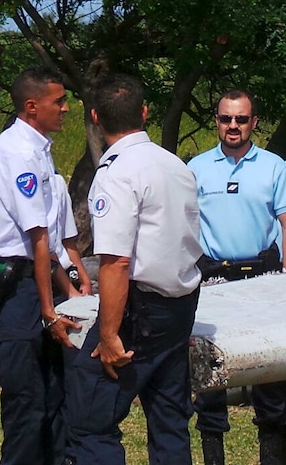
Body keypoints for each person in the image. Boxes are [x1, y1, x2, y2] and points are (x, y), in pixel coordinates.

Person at [66, 74, 202, 464]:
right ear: (144, 112)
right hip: (179, 306)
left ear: (95, 117)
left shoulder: (116, 173)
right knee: (169, 418)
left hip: (138, 312)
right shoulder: (176, 165)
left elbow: (116, 261)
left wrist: (108, 334)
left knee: (89, 417)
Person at [0, 67, 81, 465]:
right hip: (16, 283)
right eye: (59, 101)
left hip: (37, 276)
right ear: (33, 106)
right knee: (26, 400)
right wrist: (49, 309)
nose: (66, 108)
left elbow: (51, 245)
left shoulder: (39, 149)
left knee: (55, 394)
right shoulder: (16, 153)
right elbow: (36, 239)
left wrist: (67, 288)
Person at [187, 89, 286, 465]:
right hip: (214, 282)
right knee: (210, 381)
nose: (232, 126)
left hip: (263, 279)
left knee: (268, 377)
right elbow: (183, 225)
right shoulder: (197, 168)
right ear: (216, 121)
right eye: (225, 119)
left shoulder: (273, 166)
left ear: (253, 122)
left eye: (241, 119)